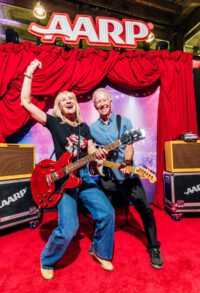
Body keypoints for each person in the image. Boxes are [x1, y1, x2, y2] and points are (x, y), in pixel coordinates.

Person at [21, 60, 115, 280]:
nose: (68, 101)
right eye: (63, 100)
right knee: (69, 228)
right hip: (63, 181)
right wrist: (29, 71)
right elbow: (25, 102)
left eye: (70, 98)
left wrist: (99, 157)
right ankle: (47, 259)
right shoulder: (55, 122)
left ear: (76, 103)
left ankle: (100, 251)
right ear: (59, 107)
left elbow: (92, 158)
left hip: (82, 177)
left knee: (107, 213)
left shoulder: (85, 128)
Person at [90, 87, 163, 269]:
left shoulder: (124, 122)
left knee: (146, 209)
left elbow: (129, 146)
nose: (102, 104)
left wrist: (127, 162)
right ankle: (98, 244)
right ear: (95, 105)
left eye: (104, 100)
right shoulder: (91, 129)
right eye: (98, 101)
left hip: (126, 173)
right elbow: (92, 155)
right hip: (106, 176)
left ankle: (154, 247)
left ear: (110, 101)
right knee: (103, 213)